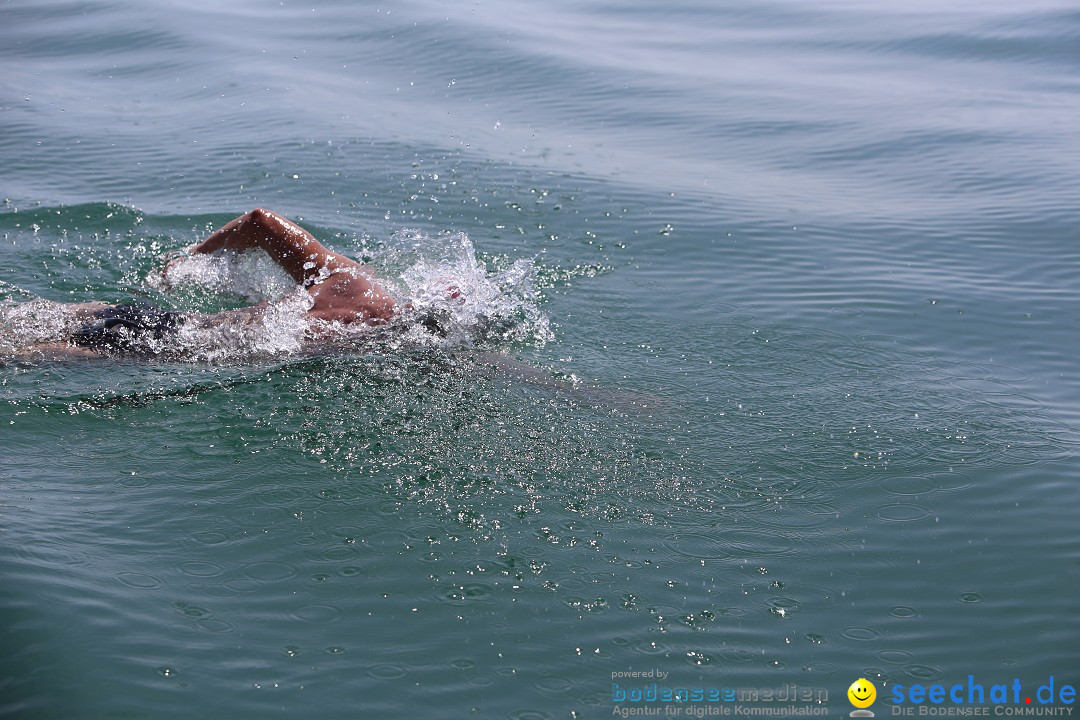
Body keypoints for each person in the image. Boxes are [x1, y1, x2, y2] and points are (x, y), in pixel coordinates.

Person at [52, 208, 402, 357]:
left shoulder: (354, 278)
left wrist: (189, 260)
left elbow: (259, 220)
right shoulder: (379, 333)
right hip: (176, 349)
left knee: (28, 320)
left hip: (161, 319)